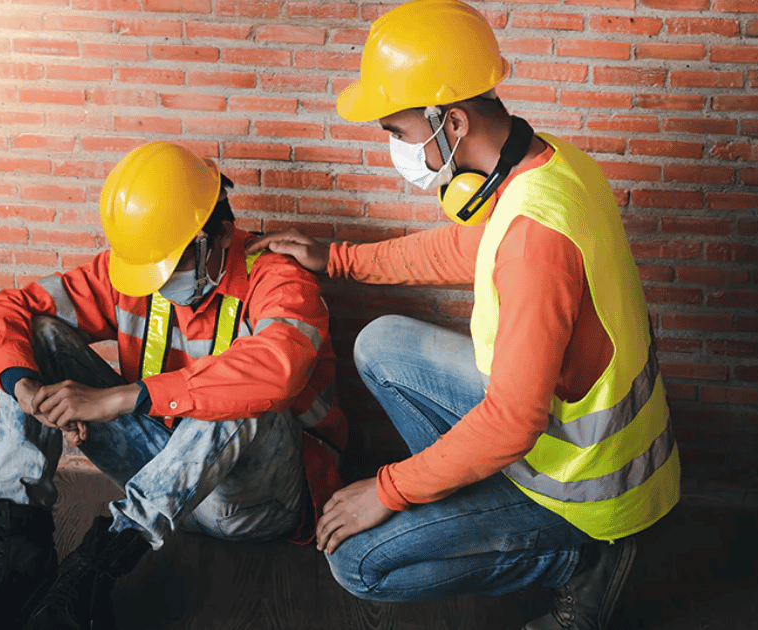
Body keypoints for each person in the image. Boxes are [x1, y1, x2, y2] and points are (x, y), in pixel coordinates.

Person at [248, 1, 680, 628]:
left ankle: (579, 559)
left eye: (397, 132)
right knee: (381, 345)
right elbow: (466, 246)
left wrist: (387, 489)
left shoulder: (536, 238)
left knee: (359, 564)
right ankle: (474, 500)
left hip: (584, 486)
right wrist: (335, 258)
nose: (395, 149)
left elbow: (511, 425)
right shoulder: (546, 165)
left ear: (448, 122)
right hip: (565, 440)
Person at [0, 141, 346, 630]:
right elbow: (6, 310)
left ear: (220, 233)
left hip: (252, 502)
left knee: (247, 387)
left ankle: (90, 575)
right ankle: (17, 565)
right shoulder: (132, 274)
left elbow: (276, 369)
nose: (158, 284)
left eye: (174, 265)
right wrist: (27, 390)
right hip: (163, 473)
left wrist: (118, 398)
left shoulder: (277, 277)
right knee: (36, 336)